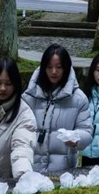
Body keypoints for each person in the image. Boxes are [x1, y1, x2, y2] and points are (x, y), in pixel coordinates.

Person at [22, 43, 93, 173]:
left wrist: (76, 138)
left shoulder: (78, 98)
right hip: (31, 170)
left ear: (66, 68)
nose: (54, 72)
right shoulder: (28, 97)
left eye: (59, 67)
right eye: (49, 67)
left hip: (64, 171)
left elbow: (87, 132)